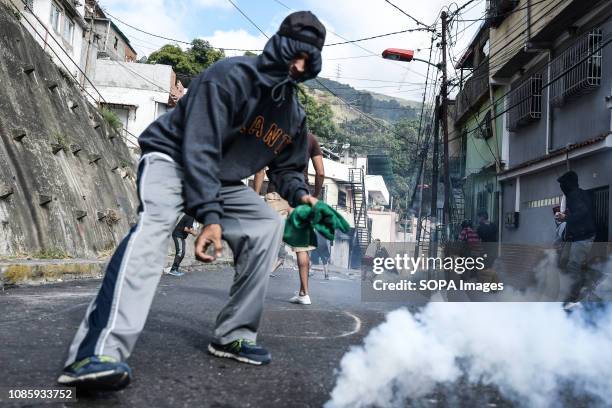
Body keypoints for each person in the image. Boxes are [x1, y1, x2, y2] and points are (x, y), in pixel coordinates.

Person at [57, 11, 327, 391]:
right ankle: (95, 353)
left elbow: (287, 169)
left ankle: (234, 334)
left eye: (308, 60)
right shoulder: (230, 77)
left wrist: (302, 197)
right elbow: (199, 148)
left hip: (221, 179)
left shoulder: (293, 115)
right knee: (154, 230)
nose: (299, 65)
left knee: (266, 226)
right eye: (294, 54)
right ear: (278, 47)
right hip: (173, 159)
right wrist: (210, 219)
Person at [254, 132, 325, 305]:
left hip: (275, 194)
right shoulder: (311, 139)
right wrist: (314, 194)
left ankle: (252, 292)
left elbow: (260, 170)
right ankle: (304, 293)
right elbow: (321, 173)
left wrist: (255, 196)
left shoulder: (272, 135)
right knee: (302, 248)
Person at [555, 171, 596, 304]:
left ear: (568, 184)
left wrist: (565, 217)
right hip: (577, 236)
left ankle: (573, 298)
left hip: (584, 237)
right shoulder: (577, 194)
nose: (561, 186)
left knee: (573, 265)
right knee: (565, 261)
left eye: (562, 184)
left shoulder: (575, 195)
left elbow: (582, 212)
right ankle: (575, 288)